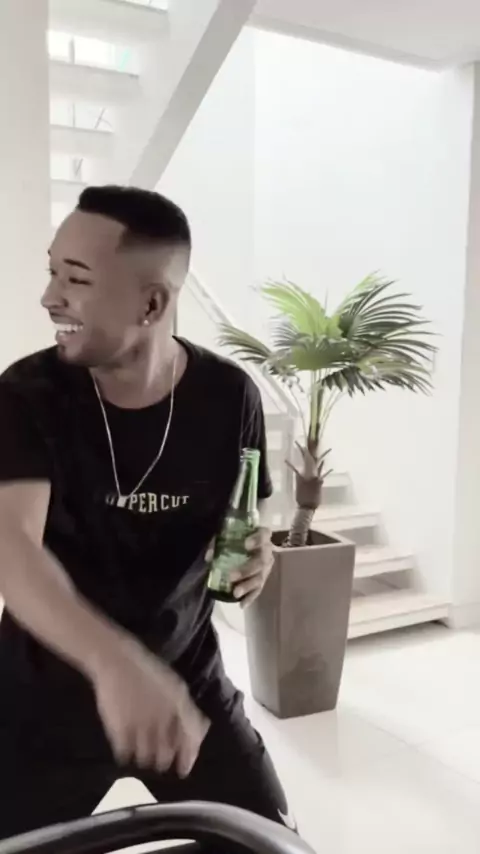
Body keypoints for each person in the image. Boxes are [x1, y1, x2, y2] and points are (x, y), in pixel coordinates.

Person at [0, 186, 293, 842]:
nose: (49, 297)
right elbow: (12, 551)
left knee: (269, 842)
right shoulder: (26, 395)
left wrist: (260, 553)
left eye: (75, 279)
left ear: (152, 304)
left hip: (187, 690)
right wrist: (117, 665)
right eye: (52, 272)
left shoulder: (230, 395)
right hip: (42, 705)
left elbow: (246, 519)